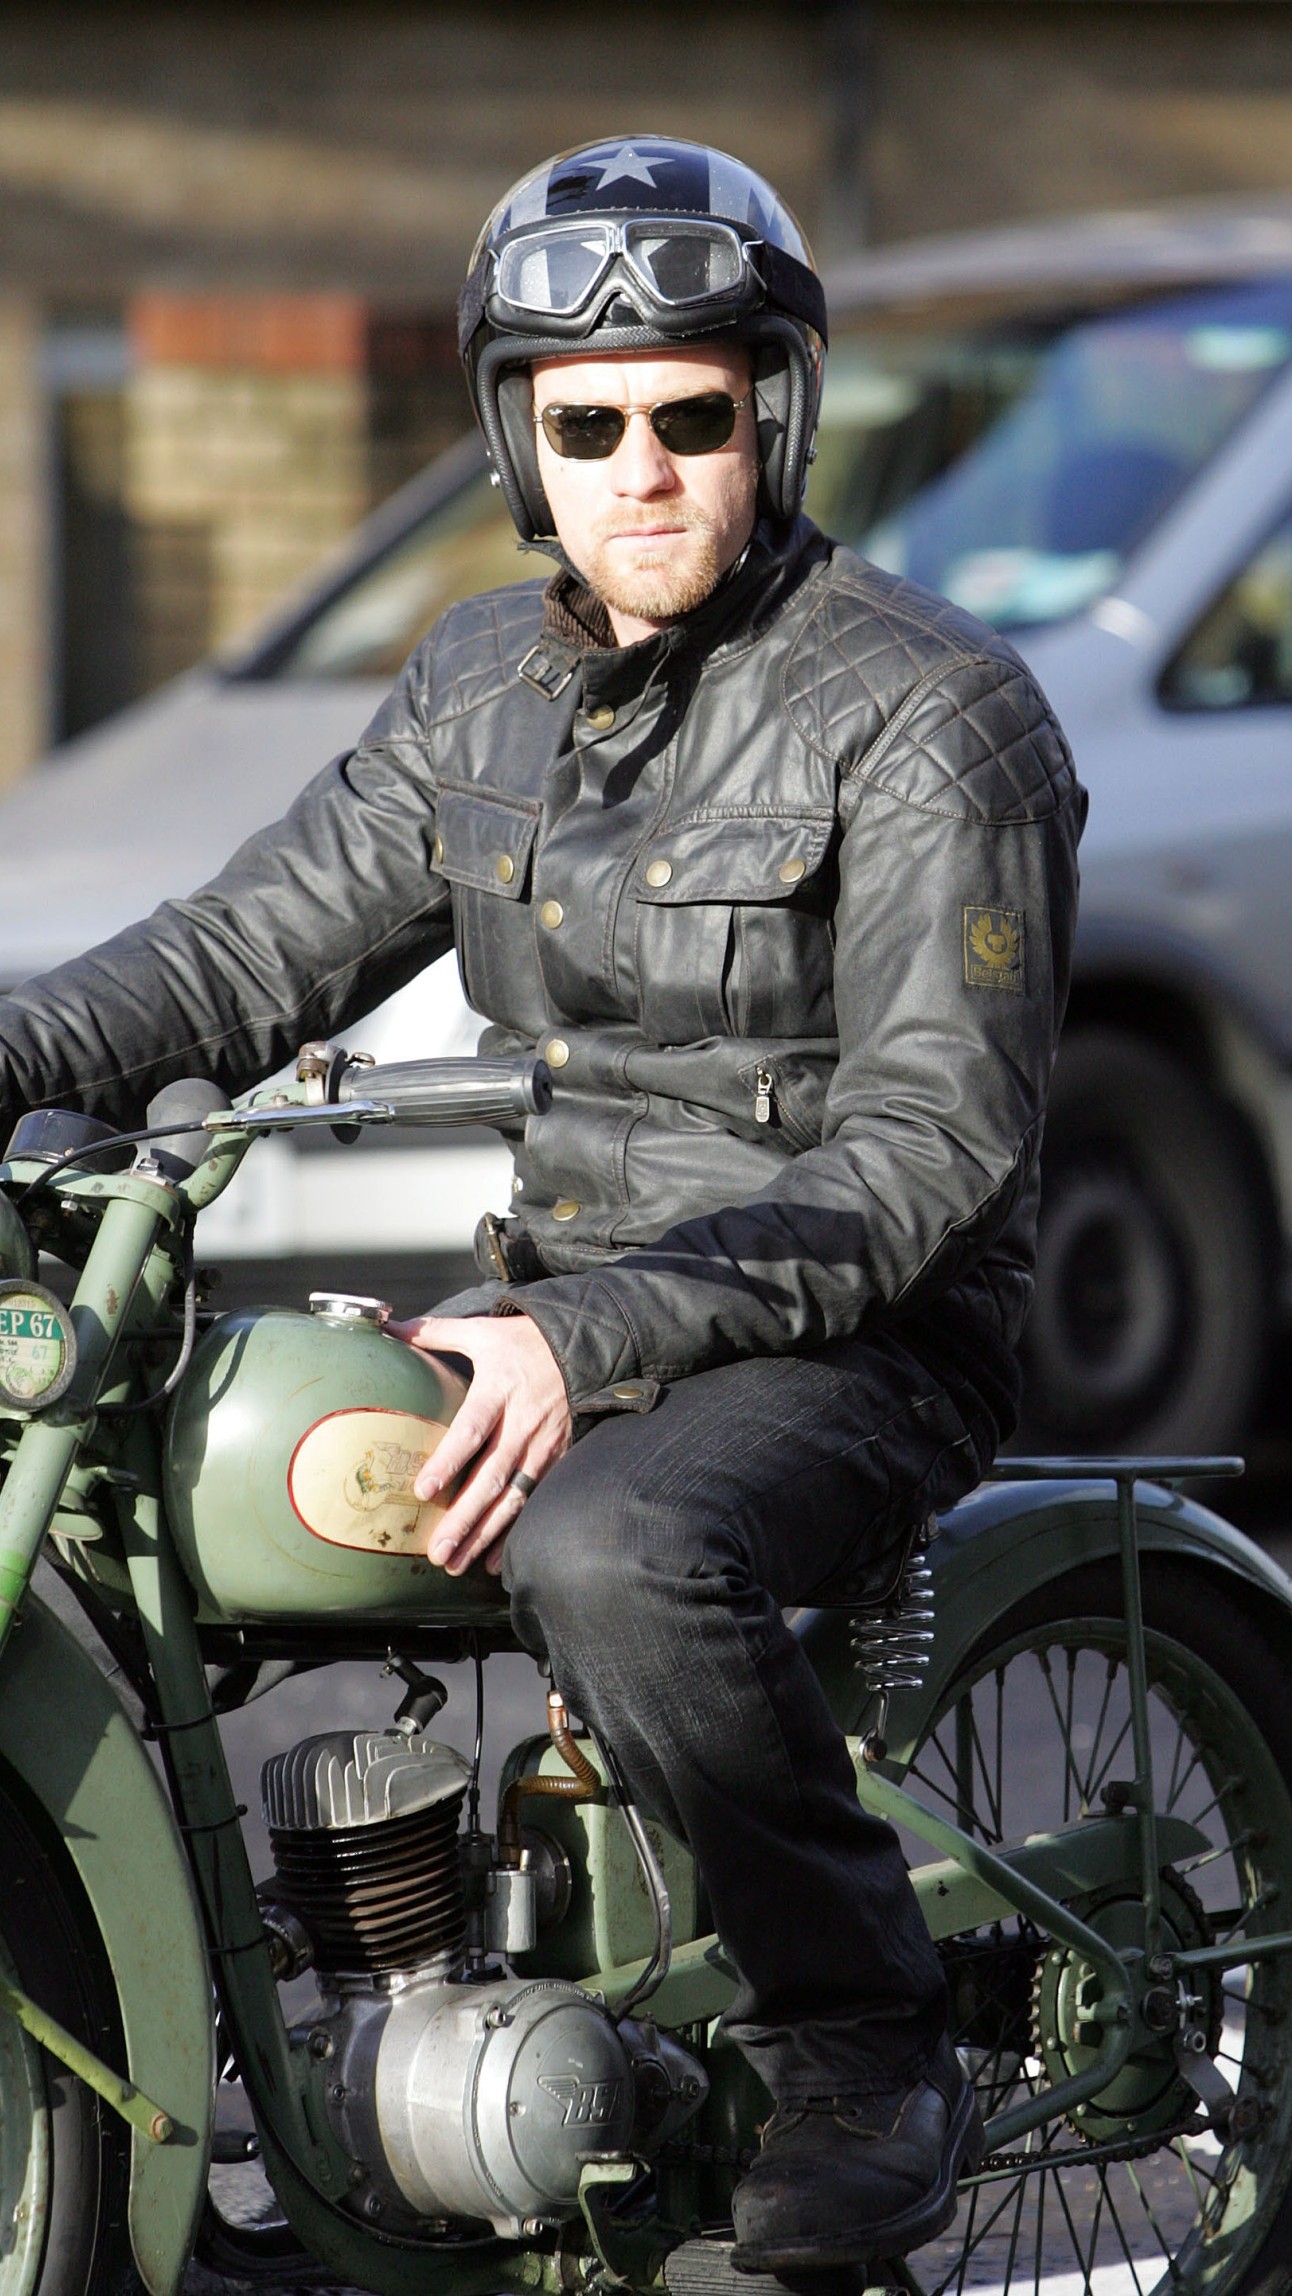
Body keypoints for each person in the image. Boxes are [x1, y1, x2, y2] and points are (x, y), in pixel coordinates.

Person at [0, 138, 1085, 2270]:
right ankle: (307, 2076)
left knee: (615, 1547)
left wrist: (582, 1339)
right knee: (174, 1492)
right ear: (522, 441)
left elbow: (928, 1148)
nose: (640, 470)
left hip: (856, 1334)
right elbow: (235, 955)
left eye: (691, 416)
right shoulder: (480, 681)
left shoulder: (931, 713)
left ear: (771, 417)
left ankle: (860, 2035)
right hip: (562, 1298)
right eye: (586, 427)